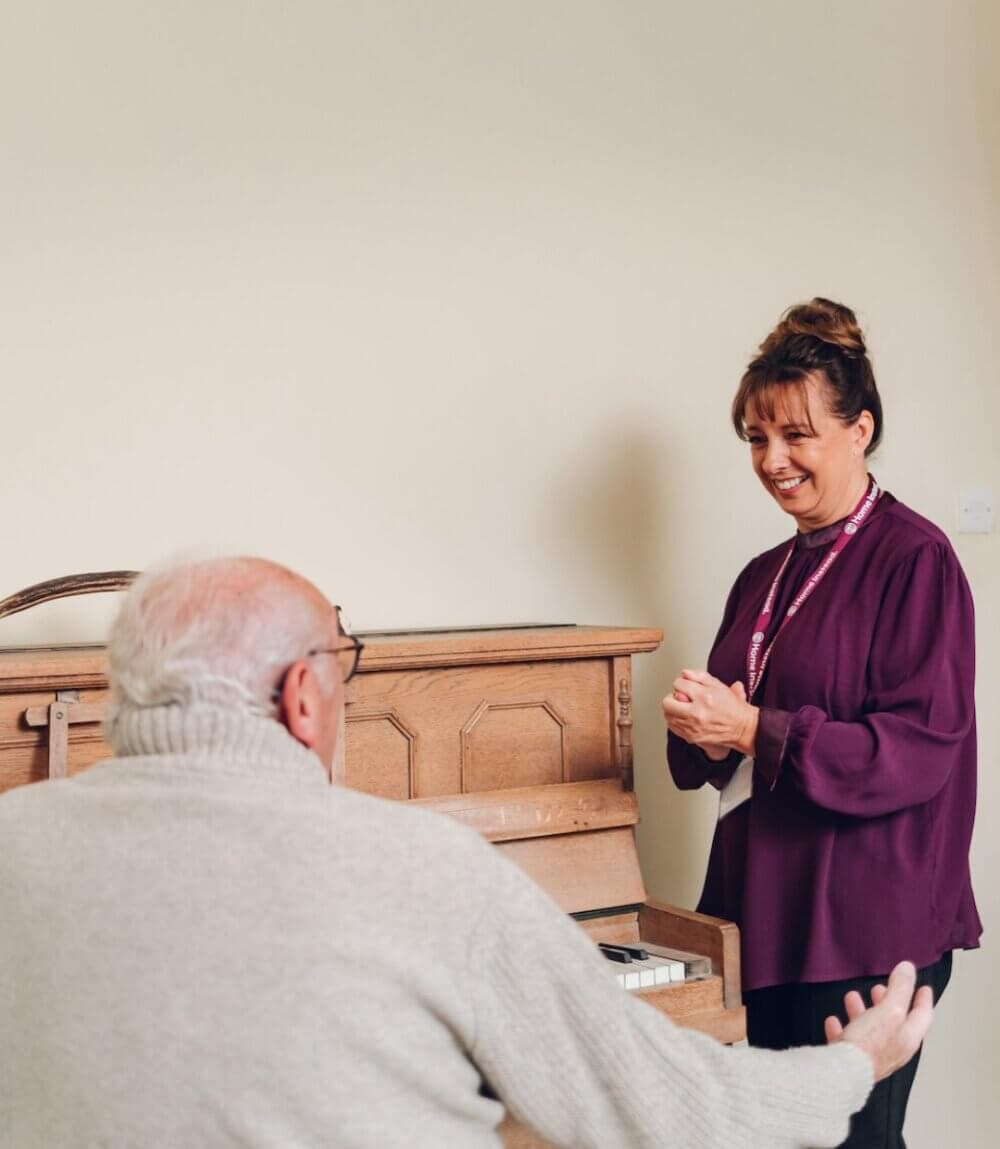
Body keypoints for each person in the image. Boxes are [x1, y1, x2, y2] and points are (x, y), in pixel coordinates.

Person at [0, 557, 934, 1149]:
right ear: (302, 699)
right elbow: (676, 1111)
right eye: (344, 666)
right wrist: (852, 1065)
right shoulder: (426, 871)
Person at [664, 298, 981, 1149]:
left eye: (796, 434)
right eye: (756, 438)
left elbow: (915, 752)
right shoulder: (762, 573)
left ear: (860, 429)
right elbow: (727, 734)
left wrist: (754, 729)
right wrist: (700, 726)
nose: (773, 460)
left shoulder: (917, 561)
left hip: (863, 929)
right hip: (761, 915)